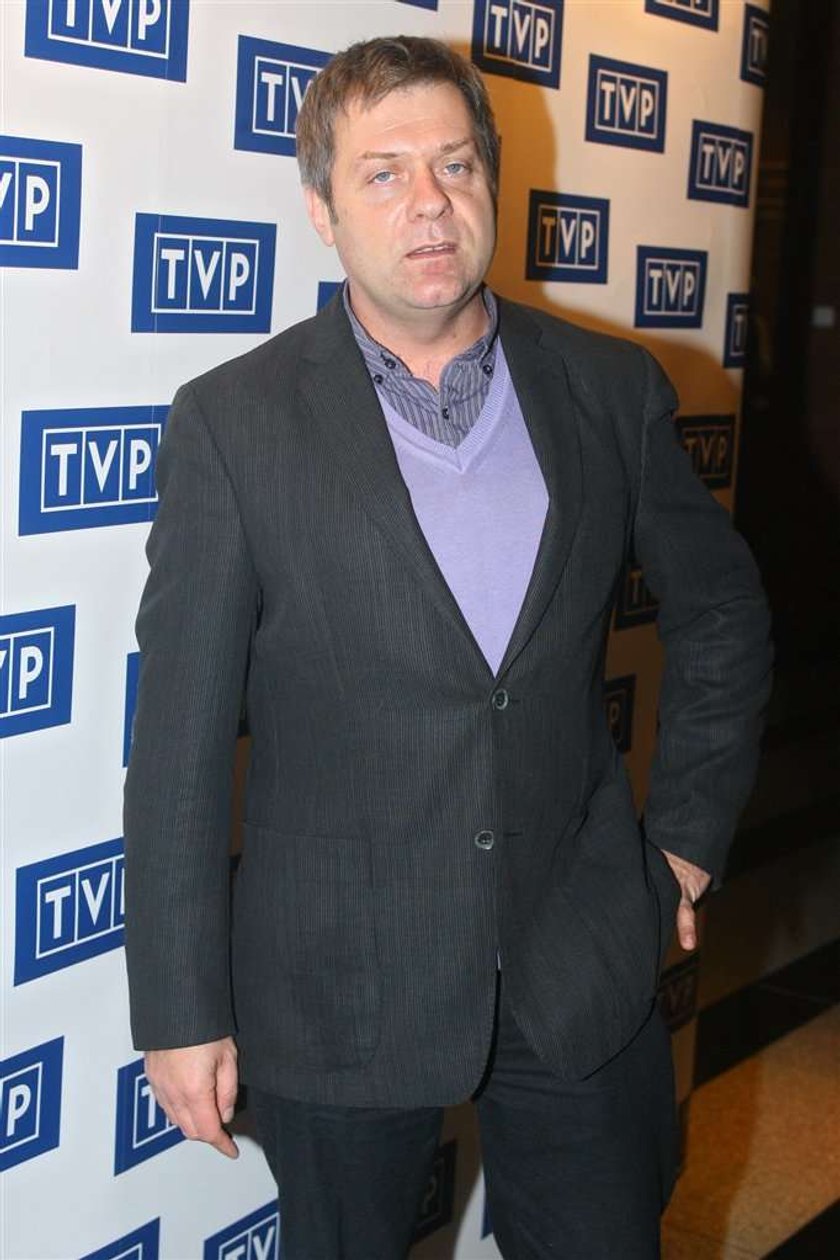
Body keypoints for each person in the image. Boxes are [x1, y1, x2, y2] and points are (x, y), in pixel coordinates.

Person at [123, 35, 772, 1260]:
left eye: (455, 164)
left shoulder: (610, 388)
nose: (429, 202)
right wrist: (177, 1006)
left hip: (578, 959)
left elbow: (723, 615)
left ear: (491, 183)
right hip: (334, 980)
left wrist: (684, 845)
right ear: (322, 210)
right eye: (383, 174)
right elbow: (179, 744)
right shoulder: (232, 424)